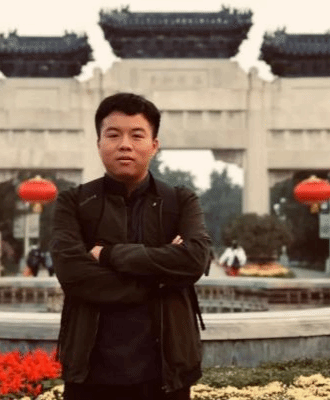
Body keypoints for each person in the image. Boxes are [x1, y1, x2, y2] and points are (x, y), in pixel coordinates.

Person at [51, 92, 212, 400]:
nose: (125, 144)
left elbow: (194, 260)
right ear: (99, 143)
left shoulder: (180, 201)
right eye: (113, 135)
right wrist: (162, 279)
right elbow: (73, 274)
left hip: (167, 373)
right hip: (90, 373)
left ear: (154, 145)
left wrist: (108, 254)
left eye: (137, 135)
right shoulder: (74, 202)